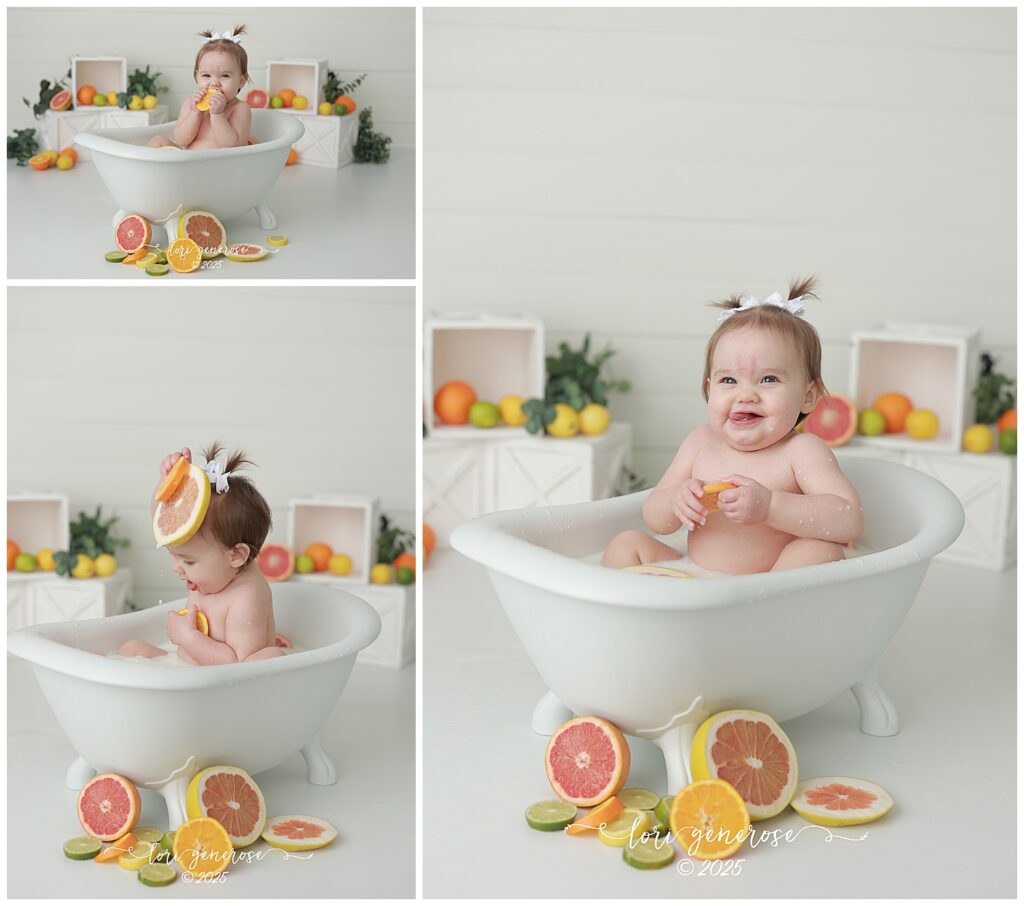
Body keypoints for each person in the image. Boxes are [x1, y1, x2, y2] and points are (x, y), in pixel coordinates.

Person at [603, 277, 863, 576]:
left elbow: (848, 518)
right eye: (729, 381)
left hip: (766, 586)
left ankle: (760, 619)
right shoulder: (700, 443)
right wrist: (677, 500)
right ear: (709, 388)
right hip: (693, 575)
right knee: (625, 544)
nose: (746, 395)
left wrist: (771, 507)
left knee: (819, 552)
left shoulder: (801, 451)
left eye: (769, 380)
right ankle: (645, 612)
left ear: (808, 396)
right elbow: (655, 520)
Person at [117, 443, 284, 663]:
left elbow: (237, 666)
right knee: (131, 648)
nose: (176, 568)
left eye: (188, 561)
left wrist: (188, 638)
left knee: (273, 656)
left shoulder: (246, 597)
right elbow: (161, 517)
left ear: (236, 556)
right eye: (173, 555)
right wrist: (168, 482)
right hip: (187, 668)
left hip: (223, 687)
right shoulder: (216, 572)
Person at [148, 26, 252, 150]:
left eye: (224, 75)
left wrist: (217, 115)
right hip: (187, 160)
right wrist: (194, 112)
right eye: (206, 75)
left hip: (218, 164)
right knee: (157, 141)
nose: (214, 83)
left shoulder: (240, 108)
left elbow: (231, 146)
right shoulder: (190, 103)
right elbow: (181, 139)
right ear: (197, 77)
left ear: (241, 81)